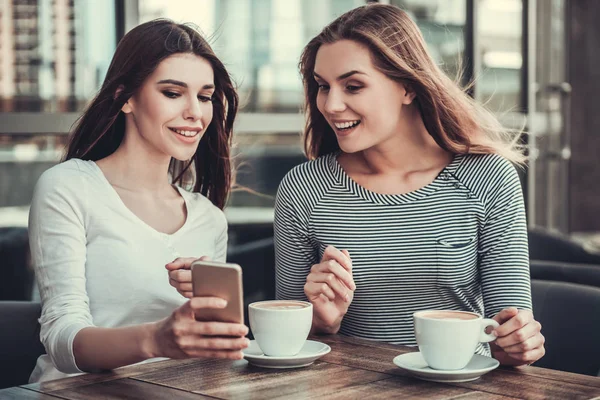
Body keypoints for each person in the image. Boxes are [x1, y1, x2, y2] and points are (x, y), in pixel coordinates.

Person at [274, 3, 545, 366]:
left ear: (407, 87)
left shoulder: (489, 179)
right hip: (345, 389)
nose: (331, 104)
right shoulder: (303, 189)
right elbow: (286, 340)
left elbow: (509, 329)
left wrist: (518, 342)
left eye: (353, 86)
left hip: (461, 386)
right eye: (323, 86)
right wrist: (323, 321)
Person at [28, 19, 249, 383]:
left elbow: (210, 349)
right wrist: (155, 338)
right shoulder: (68, 187)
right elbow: (61, 341)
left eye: (205, 96)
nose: (195, 112)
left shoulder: (208, 219)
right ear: (124, 97)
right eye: (173, 93)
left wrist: (213, 317)